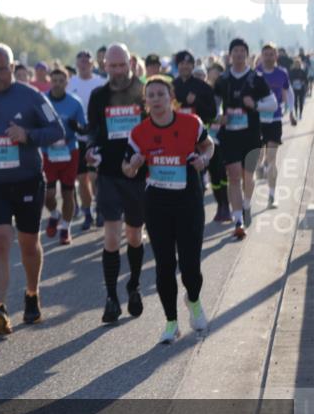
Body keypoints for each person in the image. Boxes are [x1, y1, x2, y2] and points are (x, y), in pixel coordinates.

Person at [0, 43, 65, 334]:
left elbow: (57, 130)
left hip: (27, 180)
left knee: (29, 243)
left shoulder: (31, 95)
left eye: (1, 69)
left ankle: (32, 293)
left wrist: (27, 135)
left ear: (11, 67)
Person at [124, 76, 213, 343]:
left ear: (170, 97)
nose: (156, 99)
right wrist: (135, 165)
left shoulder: (191, 124)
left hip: (188, 201)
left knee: (190, 267)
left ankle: (194, 300)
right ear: (145, 101)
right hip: (157, 204)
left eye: (160, 94)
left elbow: (209, 146)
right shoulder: (139, 132)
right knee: (164, 265)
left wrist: (203, 159)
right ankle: (171, 323)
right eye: (150, 95)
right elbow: (126, 169)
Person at [85, 44, 147, 324]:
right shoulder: (99, 96)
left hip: (138, 174)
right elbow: (94, 132)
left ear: (131, 64)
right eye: (113, 66)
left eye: (122, 65)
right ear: (104, 66)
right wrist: (90, 149)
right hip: (109, 173)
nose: (118, 71)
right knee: (111, 237)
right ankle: (111, 298)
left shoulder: (144, 92)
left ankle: (133, 286)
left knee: (134, 236)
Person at [212, 38, 278, 239]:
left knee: (248, 177)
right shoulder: (223, 80)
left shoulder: (256, 78)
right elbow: (213, 107)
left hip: (251, 135)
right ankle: (238, 219)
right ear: (230, 55)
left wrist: (255, 105)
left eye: (243, 51)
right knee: (233, 176)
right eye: (236, 51)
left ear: (247, 55)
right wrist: (218, 116)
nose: (239, 54)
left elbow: (273, 104)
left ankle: (247, 204)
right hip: (230, 134)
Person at [172, 49, 227, 222]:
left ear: (192, 65)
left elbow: (212, 112)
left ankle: (223, 205)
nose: (185, 66)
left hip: (202, 136)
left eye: (188, 63)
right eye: (182, 63)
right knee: (187, 178)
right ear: (177, 65)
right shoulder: (171, 87)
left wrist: (195, 102)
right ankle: (187, 213)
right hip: (177, 140)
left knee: (216, 172)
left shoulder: (202, 87)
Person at [42, 68, 86, 245]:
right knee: (48, 194)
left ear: (67, 83)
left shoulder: (75, 103)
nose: (57, 84)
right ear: (50, 81)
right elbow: (35, 124)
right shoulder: (43, 101)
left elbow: (84, 128)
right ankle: (54, 214)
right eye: (54, 80)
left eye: (61, 81)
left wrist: (77, 127)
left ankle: (66, 228)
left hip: (69, 151)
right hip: (48, 152)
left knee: (68, 193)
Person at [67, 50, 107, 230]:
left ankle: (100, 210)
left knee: (95, 176)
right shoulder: (70, 83)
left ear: (92, 63)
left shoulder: (100, 83)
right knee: (82, 179)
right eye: (80, 60)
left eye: (87, 60)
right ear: (76, 63)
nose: (83, 63)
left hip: (96, 136)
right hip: (77, 137)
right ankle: (87, 213)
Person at [255, 43, 294, 209]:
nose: (269, 57)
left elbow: (288, 92)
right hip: (257, 120)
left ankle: (271, 196)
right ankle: (259, 166)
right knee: (258, 156)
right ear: (262, 56)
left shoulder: (282, 73)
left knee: (272, 159)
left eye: (271, 54)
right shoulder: (256, 73)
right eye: (266, 54)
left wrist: (290, 111)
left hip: (275, 119)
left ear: (275, 56)